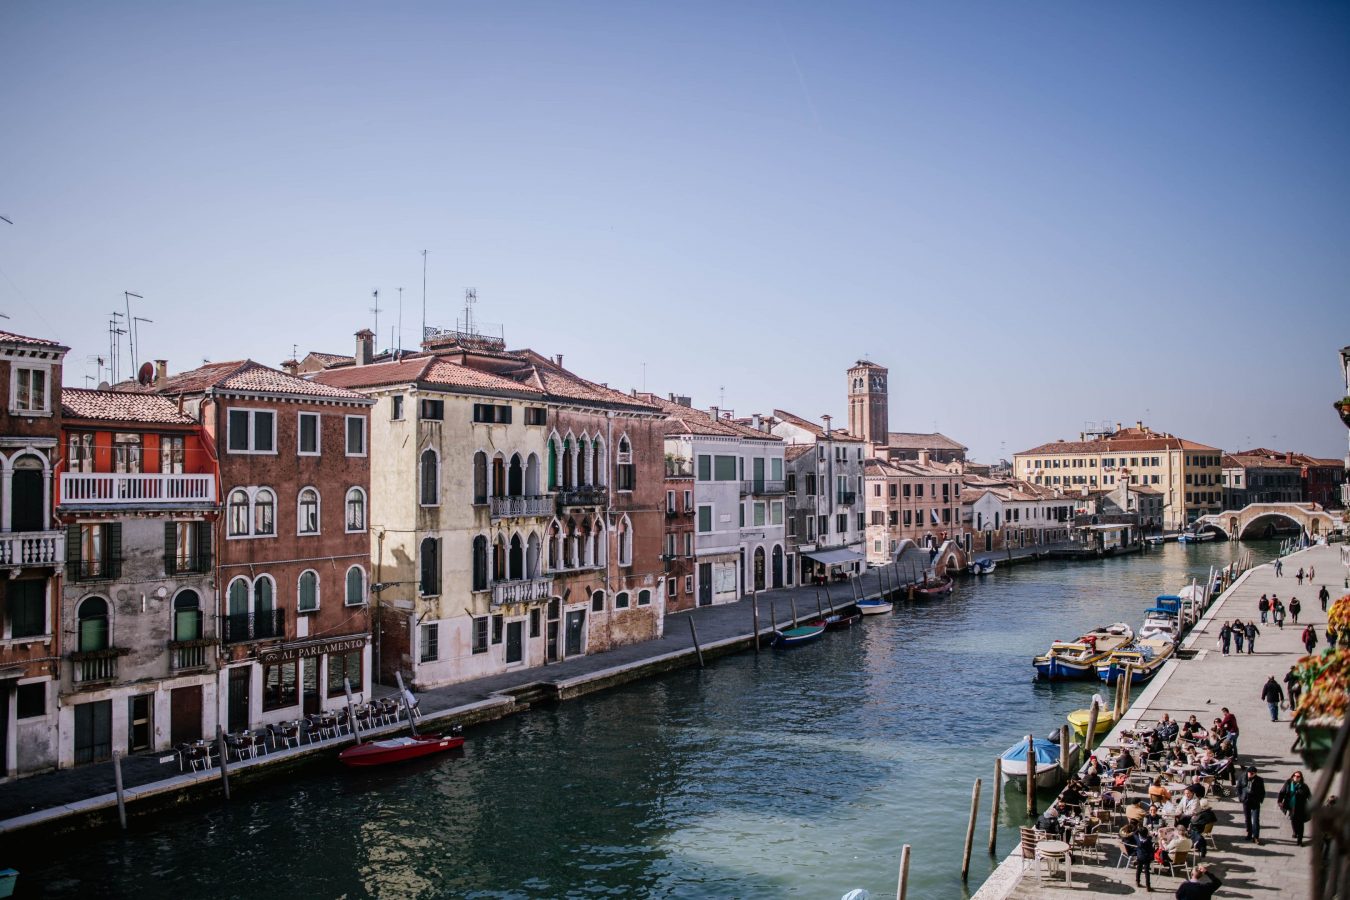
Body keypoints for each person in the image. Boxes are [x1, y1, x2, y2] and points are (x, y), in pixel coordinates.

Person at [1278, 771, 1313, 846]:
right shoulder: (1288, 783)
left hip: (1301, 808)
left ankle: (1299, 841)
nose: (1296, 777)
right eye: (1295, 776)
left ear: (1301, 778)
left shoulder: (1304, 786)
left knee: (1300, 824)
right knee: (1293, 820)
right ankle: (1295, 831)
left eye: (1298, 776)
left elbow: (1309, 796)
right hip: (1291, 807)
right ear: (1292, 776)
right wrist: (1280, 801)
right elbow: (1282, 792)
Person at [1237, 765, 1267, 843]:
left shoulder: (1259, 780)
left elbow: (1262, 791)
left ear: (1255, 774)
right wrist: (1240, 797)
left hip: (1255, 802)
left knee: (1256, 820)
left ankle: (1256, 837)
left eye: (1252, 773)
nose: (1250, 774)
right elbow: (1238, 788)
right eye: (1249, 773)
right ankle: (1249, 833)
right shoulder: (1242, 777)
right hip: (1246, 801)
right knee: (1247, 818)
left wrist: (1260, 800)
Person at [1135, 825, 1156, 891]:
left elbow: (1134, 833)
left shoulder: (1137, 839)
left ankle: (1137, 882)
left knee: (1139, 869)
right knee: (1147, 872)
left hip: (1139, 856)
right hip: (1147, 857)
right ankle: (1148, 886)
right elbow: (1151, 848)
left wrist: (1138, 829)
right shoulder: (1148, 840)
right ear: (1146, 833)